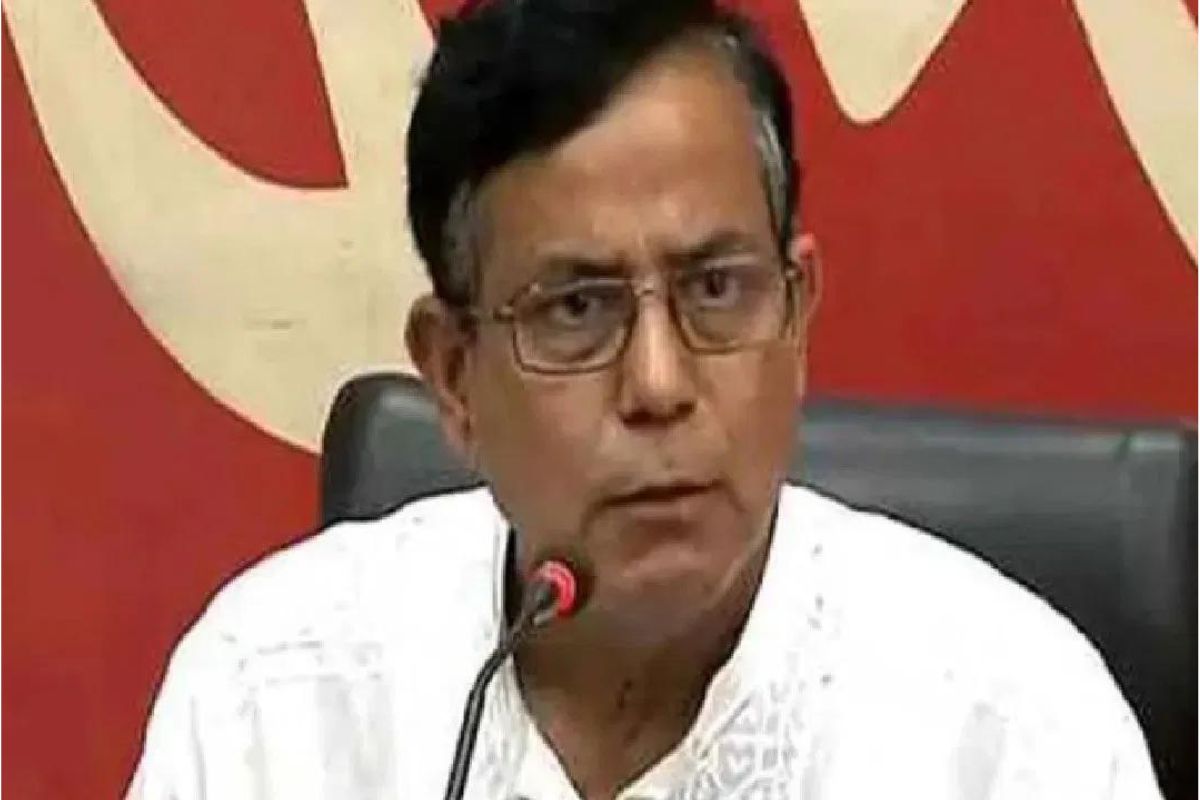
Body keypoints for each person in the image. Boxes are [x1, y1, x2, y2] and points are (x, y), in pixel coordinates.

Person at [127, 1, 1163, 797]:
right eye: (576, 308)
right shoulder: (276, 700)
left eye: (716, 289)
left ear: (796, 316)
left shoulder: (1008, 731)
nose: (660, 384)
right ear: (453, 375)